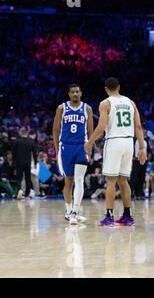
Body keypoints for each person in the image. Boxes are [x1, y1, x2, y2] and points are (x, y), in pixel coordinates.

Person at [84, 77, 147, 226]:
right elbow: (138, 127)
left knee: (111, 181)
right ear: (119, 87)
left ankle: (109, 216)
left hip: (114, 141)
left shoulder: (105, 103)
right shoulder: (131, 103)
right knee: (123, 181)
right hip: (129, 142)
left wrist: (90, 142)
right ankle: (127, 215)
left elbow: (101, 126)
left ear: (106, 89)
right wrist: (142, 148)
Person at [53, 84, 93, 224]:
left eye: (77, 91)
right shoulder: (61, 108)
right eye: (72, 92)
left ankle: (75, 212)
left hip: (81, 147)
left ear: (81, 93)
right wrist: (57, 148)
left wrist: (90, 148)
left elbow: (90, 132)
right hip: (66, 147)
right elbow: (56, 130)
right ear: (69, 94)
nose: (75, 94)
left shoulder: (87, 108)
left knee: (79, 180)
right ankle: (69, 211)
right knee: (68, 181)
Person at [13, 127, 37, 200]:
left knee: (19, 178)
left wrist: (14, 162)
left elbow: (13, 153)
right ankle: (27, 194)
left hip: (19, 162)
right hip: (27, 162)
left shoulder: (16, 141)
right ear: (27, 134)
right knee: (28, 178)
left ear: (20, 133)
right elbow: (34, 154)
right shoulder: (31, 142)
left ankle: (20, 189)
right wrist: (35, 162)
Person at [130, 134, 148, 200]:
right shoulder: (133, 140)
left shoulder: (145, 141)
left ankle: (139, 194)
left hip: (144, 161)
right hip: (136, 160)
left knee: (141, 178)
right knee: (134, 178)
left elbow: (147, 151)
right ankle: (131, 193)